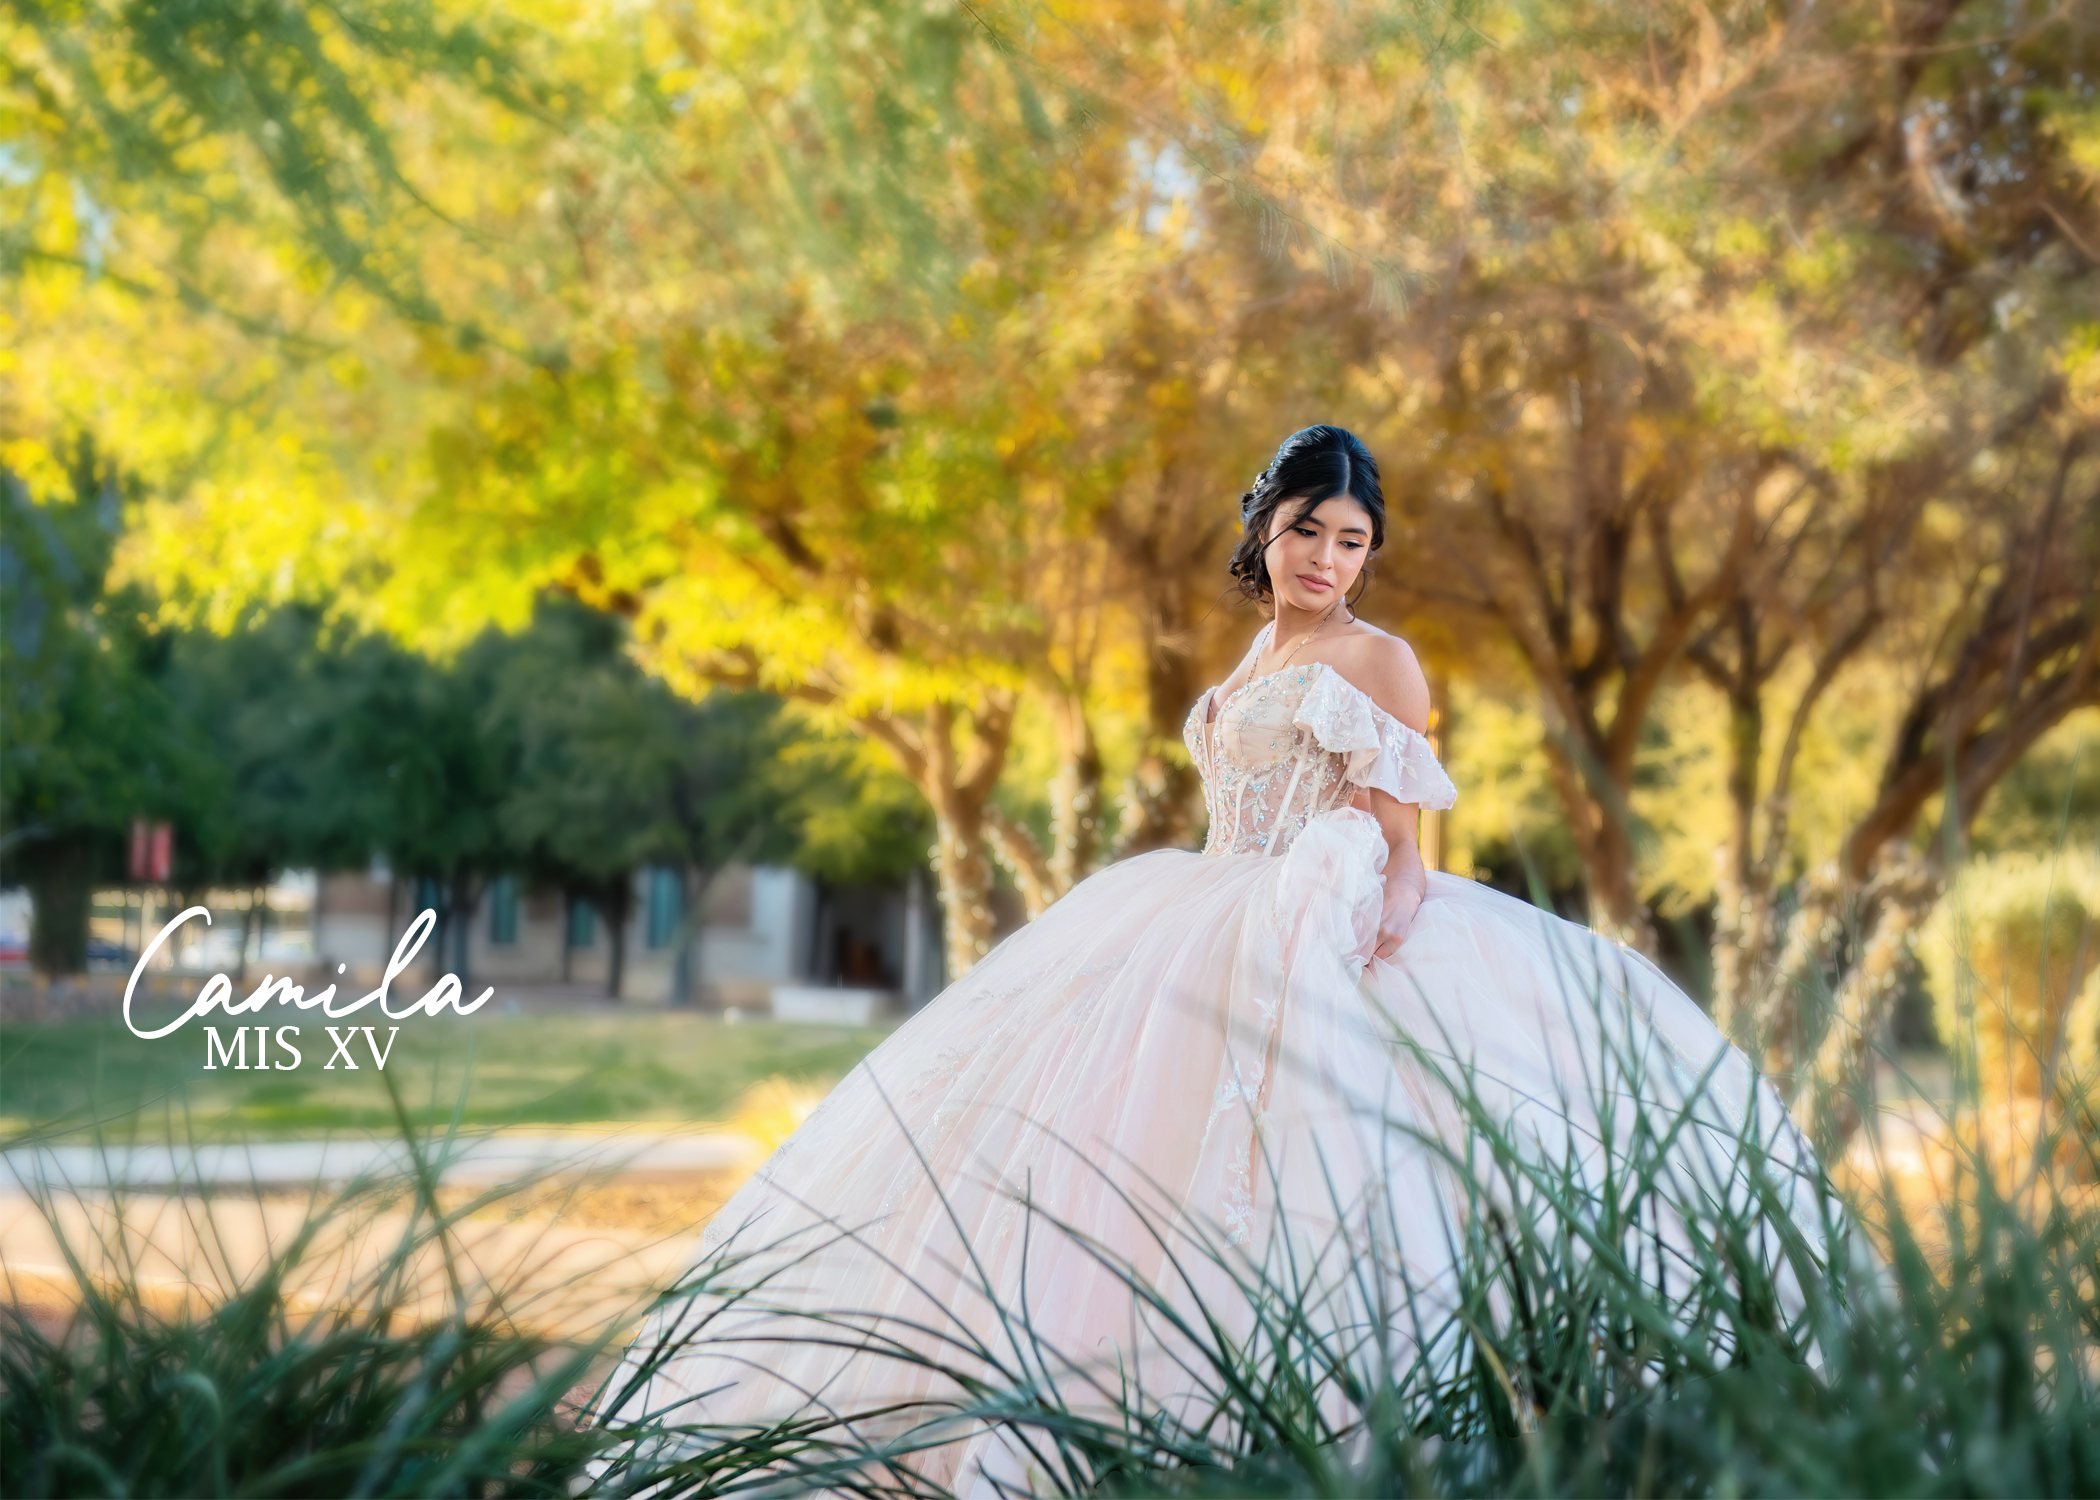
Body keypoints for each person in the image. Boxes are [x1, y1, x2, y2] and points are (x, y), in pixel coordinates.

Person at [599, 425, 1825, 1493]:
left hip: (1318, 926)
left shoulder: (1377, 660)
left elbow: (1401, 841)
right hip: (1197, 909)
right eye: (1308, 531)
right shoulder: (1254, 657)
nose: (1326, 558)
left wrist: (1365, 928)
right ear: (1266, 527)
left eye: (1352, 541)